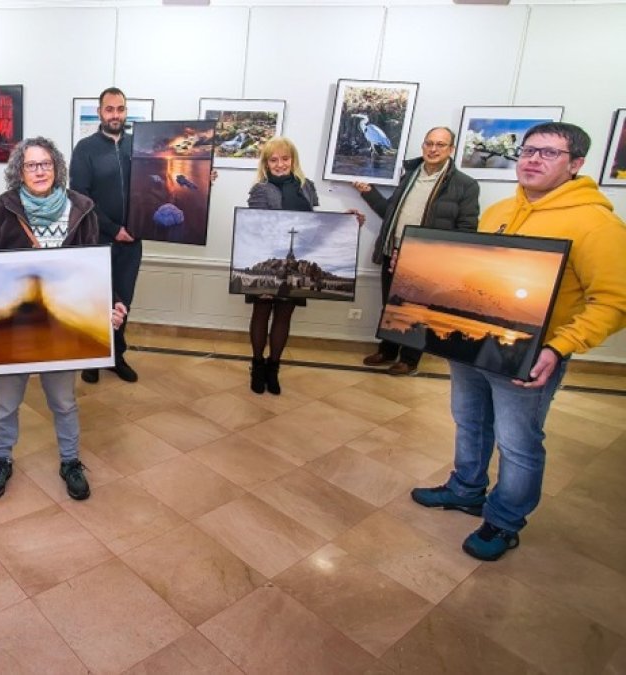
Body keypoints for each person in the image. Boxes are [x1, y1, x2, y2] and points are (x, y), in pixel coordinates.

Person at [410, 122, 626, 561]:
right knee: (469, 421)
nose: (532, 159)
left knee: (518, 443)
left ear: (576, 164)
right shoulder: (499, 211)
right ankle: (466, 489)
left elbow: (615, 300)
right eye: (527, 150)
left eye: (548, 153)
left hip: (531, 356)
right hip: (475, 343)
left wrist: (559, 346)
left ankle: (504, 521)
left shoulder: (597, 224)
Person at [0, 137, 126, 501]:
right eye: (31, 165)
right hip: (13, 327)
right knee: (6, 402)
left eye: (46, 163)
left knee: (64, 401)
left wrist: (111, 304)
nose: (40, 171)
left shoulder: (83, 209)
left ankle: (70, 461)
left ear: (57, 167)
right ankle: (1, 459)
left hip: (63, 324)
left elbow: (94, 267)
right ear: (19, 171)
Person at [354, 126, 480, 375]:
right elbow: (389, 212)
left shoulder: (465, 185)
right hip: (394, 252)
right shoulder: (409, 176)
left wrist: (440, 259)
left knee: (418, 310)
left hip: (427, 260)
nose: (433, 149)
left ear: (451, 149)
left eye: (440, 145)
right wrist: (368, 193)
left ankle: (409, 359)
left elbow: (466, 229)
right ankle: (388, 351)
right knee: (391, 305)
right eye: (429, 143)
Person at [245, 137, 364, 395]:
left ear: (293, 160)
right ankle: (257, 366)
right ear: (266, 163)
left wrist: (344, 221)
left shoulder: (307, 187)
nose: (280, 164)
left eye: (285, 158)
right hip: (270, 261)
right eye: (273, 160)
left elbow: (315, 225)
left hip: (297, 261)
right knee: (261, 312)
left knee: (284, 315)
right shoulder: (260, 190)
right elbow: (257, 226)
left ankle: (273, 367)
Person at [70, 87, 139, 384]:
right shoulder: (85, 149)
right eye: (109, 109)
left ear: (126, 112)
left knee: (123, 300)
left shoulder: (138, 146)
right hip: (96, 239)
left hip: (133, 241)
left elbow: (160, 183)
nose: (115, 115)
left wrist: (203, 178)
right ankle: (92, 359)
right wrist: (113, 229)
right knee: (95, 300)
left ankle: (115, 356)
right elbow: (80, 198)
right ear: (100, 112)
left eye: (120, 109)